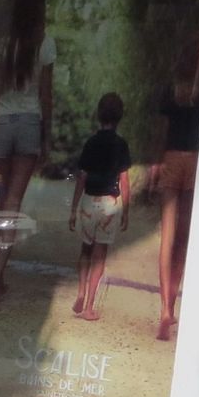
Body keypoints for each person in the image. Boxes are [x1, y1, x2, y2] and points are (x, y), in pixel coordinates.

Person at [0, 0, 54, 313]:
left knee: (0, 202)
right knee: (13, 204)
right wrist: (46, 136)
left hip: (1, 125)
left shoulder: (2, 43)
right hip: (27, 126)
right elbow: (46, 96)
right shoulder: (45, 43)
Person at [153, 23, 199, 342]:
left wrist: (156, 161)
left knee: (167, 236)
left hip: (173, 158)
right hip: (196, 159)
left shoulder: (170, 89)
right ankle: (174, 299)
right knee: (184, 240)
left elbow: (161, 131)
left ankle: (164, 307)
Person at [68, 92, 131, 322]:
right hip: (109, 204)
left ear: (98, 115)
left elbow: (81, 178)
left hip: (88, 201)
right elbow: (124, 181)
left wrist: (74, 208)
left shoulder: (91, 143)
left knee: (85, 250)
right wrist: (126, 211)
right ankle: (90, 307)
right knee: (99, 256)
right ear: (120, 117)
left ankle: (81, 292)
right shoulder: (121, 145)